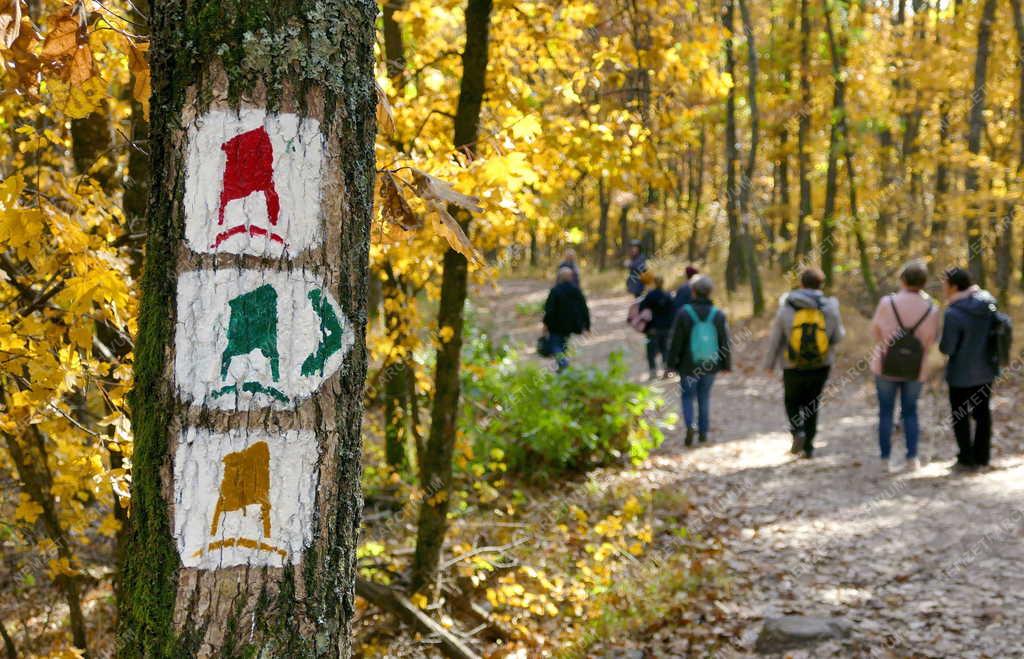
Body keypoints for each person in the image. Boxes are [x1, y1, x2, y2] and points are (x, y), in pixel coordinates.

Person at [763, 267, 845, 458]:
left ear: (801, 283)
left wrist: (769, 364)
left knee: (791, 401)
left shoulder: (787, 307)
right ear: (820, 284)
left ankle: (797, 431)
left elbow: (776, 338)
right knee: (812, 403)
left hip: (792, 365)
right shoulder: (830, 307)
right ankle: (808, 446)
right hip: (821, 364)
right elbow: (839, 336)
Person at [870, 261, 940, 473]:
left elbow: (875, 332)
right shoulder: (932, 309)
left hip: (885, 365)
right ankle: (912, 458)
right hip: (916, 368)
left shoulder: (887, 302)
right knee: (910, 412)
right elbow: (931, 340)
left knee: (885, 412)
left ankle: (885, 459)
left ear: (902, 279)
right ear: (924, 282)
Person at [939, 267, 998, 471]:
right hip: (986, 370)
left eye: (944, 284)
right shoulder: (988, 303)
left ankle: (966, 457)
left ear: (954, 286)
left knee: (960, 415)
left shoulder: (953, 313)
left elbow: (948, 347)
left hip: (960, 374)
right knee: (983, 414)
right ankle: (983, 456)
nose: (943, 288)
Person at [667, 275, 731, 446]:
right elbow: (724, 340)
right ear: (710, 292)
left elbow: (676, 342)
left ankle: (690, 425)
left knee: (687, 396)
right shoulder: (718, 314)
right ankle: (703, 432)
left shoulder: (684, 313)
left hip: (688, 365)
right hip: (710, 364)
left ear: (693, 291)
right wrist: (726, 364)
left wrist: (670, 364)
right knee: (704, 397)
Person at [543, 266, 591, 372]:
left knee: (556, 346)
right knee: (563, 345)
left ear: (559, 277)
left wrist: (545, 324)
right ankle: (561, 370)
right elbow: (584, 309)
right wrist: (586, 326)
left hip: (555, 326)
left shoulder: (555, 291)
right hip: (569, 326)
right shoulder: (576, 291)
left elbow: (549, 310)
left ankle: (563, 364)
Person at [639, 276, 676, 380]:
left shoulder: (650, 295)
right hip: (666, 328)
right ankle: (666, 370)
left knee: (651, 350)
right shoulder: (668, 296)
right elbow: (673, 312)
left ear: (654, 283)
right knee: (665, 349)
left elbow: (642, 309)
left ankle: (653, 371)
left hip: (652, 327)